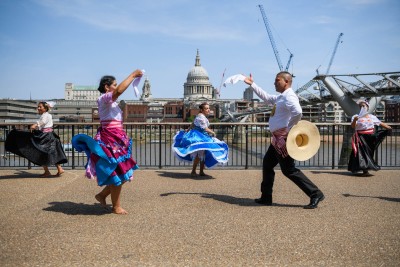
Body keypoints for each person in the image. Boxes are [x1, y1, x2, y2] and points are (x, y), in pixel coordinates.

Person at [242, 71, 325, 209]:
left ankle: (315, 193)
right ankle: (266, 197)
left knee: (289, 170)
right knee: (268, 165)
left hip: (282, 139)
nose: (274, 82)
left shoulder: (289, 96)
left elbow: (298, 112)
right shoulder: (282, 97)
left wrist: (288, 131)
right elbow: (267, 97)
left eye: (277, 80)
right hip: (277, 139)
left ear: (286, 81)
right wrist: (252, 85)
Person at [72, 70, 143, 215]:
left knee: (121, 172)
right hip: (110, 139)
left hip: (116, 139)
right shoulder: (104, 98)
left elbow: (117, 94)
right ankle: (115, 206)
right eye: (114, 85)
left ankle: (102, 196)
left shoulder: (111, 102)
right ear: (106, 87)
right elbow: (119, 91)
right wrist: (133, 75)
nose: (116, 87)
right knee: (117, 171)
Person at [5, 101, 67, 177]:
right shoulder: (46, 115)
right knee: (51, 152)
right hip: (48, 135)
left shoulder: (46, 115)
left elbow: (43, 122)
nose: (38, 108)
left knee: (40, 152)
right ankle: (58, 169)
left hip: (46, 136)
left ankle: (49, 171)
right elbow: (43, 122)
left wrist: (35, 125)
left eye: (40, 107)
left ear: (45, 108)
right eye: (38, 107)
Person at [172, 102, 229, 177]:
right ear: (202, 110)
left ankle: (200, 171)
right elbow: (204, 128)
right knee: (200, 155)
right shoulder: (201, 117)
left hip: (202, 136)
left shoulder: (201, 116)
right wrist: (213, 133)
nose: (208, 110)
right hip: (199, 137)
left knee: (202, 154)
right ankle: (194, 171)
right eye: (206, 108)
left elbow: (193, 123)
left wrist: (188, 129)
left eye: (209, 108)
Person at [348, 99, 392, 176]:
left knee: (368, 153)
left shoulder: (372, 117)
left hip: (370, 137)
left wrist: (388, 127)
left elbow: (380, 123)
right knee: (360, 153)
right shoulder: (355, 116)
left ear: (367, 107)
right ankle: (364, 170)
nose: (363, 107)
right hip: (360, 137)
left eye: (364, 106)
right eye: (361, 106)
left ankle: (366, 169)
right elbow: (353, 126)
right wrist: (355, 120)